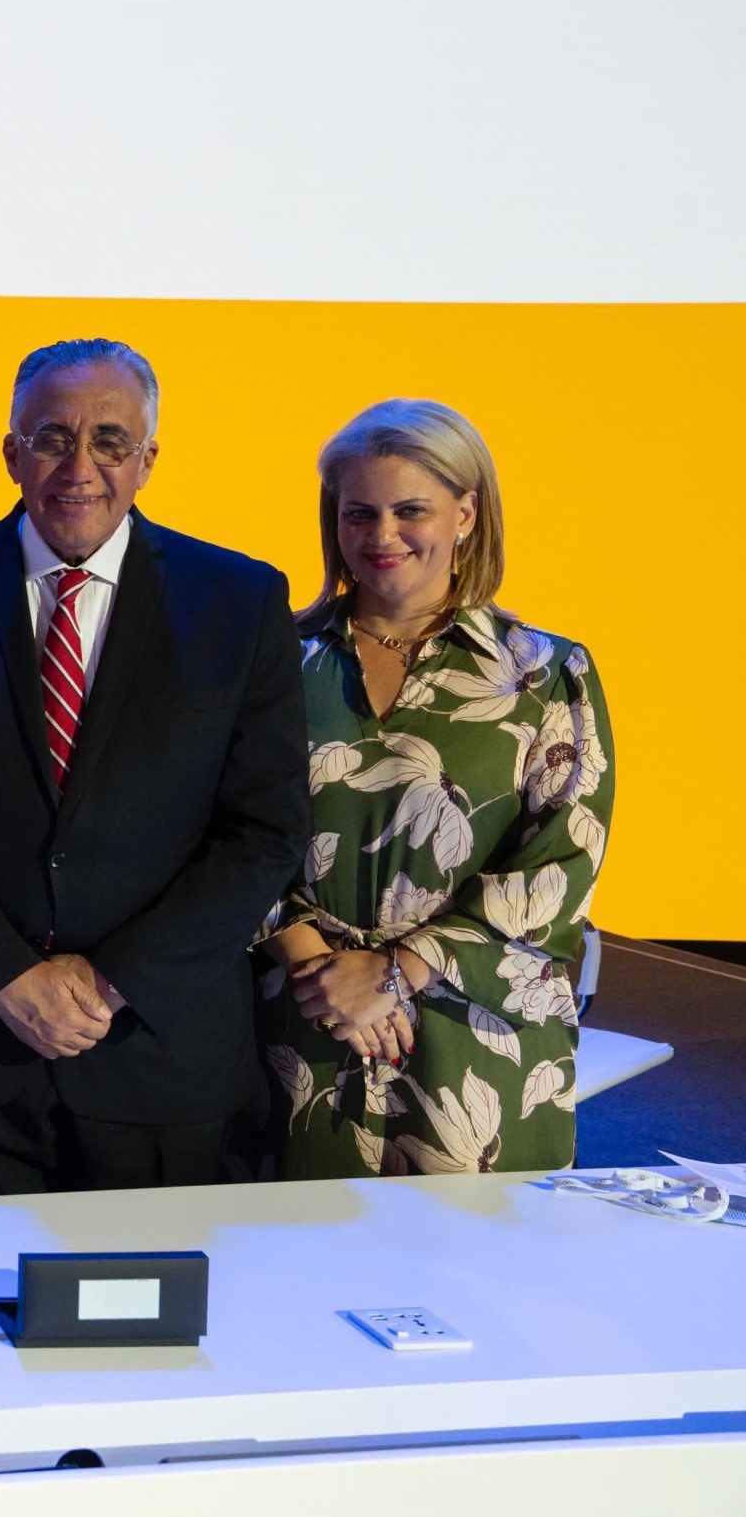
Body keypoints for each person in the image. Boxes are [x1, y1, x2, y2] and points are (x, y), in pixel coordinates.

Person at [0, 338, 306, 1195]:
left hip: (158, 1061)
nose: (79, 466)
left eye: (110, 441)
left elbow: (264, 832)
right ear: (11, 453)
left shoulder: (240, 601)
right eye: (53, 438)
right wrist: (3, 975)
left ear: (149, 459)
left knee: (145, 1290)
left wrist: (111, 980)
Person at [258, 399, 610, 1177]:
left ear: (466, 513)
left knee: (471, 1255)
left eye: (409, 510)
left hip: (478, 1044)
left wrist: (396, 972)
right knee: (287, 1248)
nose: (381, 535)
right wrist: (314, 963)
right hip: (299, 1027)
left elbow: (560, 865)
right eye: (359, 512)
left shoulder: (547, 674)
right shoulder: (271, 659)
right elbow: (211, 829)